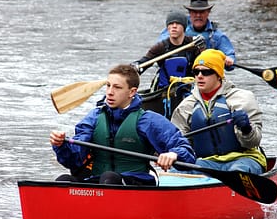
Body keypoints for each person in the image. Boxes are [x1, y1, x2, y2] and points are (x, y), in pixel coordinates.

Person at [50, 64, 196, 186]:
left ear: (132, 92)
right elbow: (73, 161)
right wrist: (61, 146)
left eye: (117, 87)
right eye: (108, 86)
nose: (109, 92)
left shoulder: (148, 121)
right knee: (63, 181)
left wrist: (173, 154)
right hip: (100, 181)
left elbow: (187, 152)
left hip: (136, 182)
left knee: (109, 178)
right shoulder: (94, 118)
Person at [170, 49, 266, 175]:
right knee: (175, 171)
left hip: (243, 159)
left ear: (219, 75)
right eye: (196, 71)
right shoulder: (186, 106)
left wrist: (246, 129)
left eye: (206, 72)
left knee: (237, 172)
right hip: (205, 162)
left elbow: (253, 142)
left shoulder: (242, 98)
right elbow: (179, 143)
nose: (199, 76)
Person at [133, 10, 204, 89]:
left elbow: (205, 64)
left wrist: (202, 48)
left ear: (184, 27)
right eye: (171, 24)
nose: (174, 26)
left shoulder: (193, 44)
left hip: (189, 86)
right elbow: (145, 62)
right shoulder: (160, 47)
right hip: (165, 88)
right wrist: (135, 66)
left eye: (177, 23)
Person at [158, 0, 236, 69]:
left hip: (204, 73)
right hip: (178, 70)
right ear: (190, 13)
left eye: (202, 12)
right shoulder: (178, 26)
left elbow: (230, 57)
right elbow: (161, 41)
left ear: (208, 13)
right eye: (195, 12)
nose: (198, 15)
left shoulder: (216, 36)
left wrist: (229, 60)